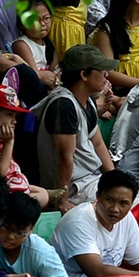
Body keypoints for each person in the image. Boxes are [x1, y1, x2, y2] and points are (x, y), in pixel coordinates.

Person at [36, 45, 117, 209]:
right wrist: (63, 200)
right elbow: (64, 157)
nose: (106, 75)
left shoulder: (88, 102)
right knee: (136, 207)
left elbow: (98, 144)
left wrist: (115, 179)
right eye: (101, 70)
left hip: (92, 179)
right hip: (75, 187)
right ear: (84, 75)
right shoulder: (63, 105)